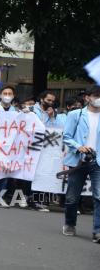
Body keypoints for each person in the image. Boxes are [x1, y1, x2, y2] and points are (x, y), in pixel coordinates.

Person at [62, 86, 100, 244]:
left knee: (99, 196)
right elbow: (66, 136)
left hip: (97, 162)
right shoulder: (75, 114)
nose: (98, 99)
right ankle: (70, 223)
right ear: (87, 98)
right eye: (96, 95)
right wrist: (79, 146)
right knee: (72, 197)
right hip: (78, 160)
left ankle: (97, 231)